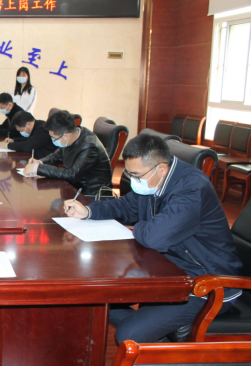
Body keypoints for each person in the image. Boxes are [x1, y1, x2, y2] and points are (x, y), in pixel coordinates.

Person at [63, 134, 242, 343]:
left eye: (136, 175)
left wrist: (137, 227)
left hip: (207, 284)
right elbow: (125, 206)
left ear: (162, 169)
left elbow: (153, 238)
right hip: (169, 270)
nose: (133, 180)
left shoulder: (192, 189)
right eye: (129, 173)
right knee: (91, 299)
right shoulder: (153, 181)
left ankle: (160, 346)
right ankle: (155, 331)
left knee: (128, 334)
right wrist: (89, 211)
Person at [23, 110, 112, 197]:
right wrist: (40, 162)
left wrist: (38, 169)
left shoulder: (89, 146)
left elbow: (72, 174)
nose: (52, 140)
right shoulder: (73, 136)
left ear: (66, 136)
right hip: (76, 187)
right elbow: (57, 155)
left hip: (91, 195)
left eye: (53, 138)